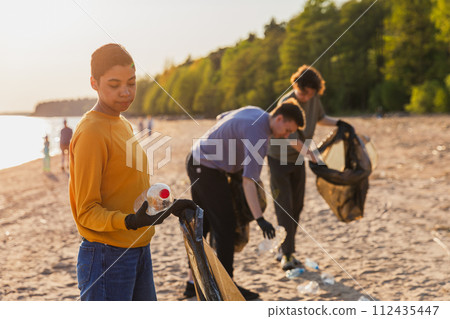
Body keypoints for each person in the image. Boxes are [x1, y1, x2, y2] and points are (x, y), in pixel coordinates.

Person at [69, 43, 196, 301]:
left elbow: (128, 186)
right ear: (94, 83)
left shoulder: (122, 122)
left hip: (139, 248)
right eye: (114, 85)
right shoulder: (92, 131)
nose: (126, 92)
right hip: (107, 256)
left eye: (132, 82)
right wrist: (129, 221)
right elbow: (86, 211)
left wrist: (166, 206)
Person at [184, 102, 305, 300]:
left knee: (202, 225)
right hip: (207, 169)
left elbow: (222, 117)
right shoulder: (259, 136)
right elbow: (249, 182)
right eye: (287, 130)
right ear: (280, 118)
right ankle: (226, 287)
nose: (285, 136)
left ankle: (191, 284)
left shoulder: (256, 112)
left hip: (196, 159)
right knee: (225, 227)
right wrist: (260, 219)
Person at [267, 65, 354, 271]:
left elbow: (321, 118)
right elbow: (291, 138)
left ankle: (286, 249)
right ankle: (287, 254)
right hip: (278, 158)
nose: (306, 97)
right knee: (284, 207)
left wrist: (341, 123)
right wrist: (316, 158)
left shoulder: (313, 99)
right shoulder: (287, 103)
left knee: (297, 206)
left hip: (298, 159)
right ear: (296, 85)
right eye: (303, 93)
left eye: (311, 94)